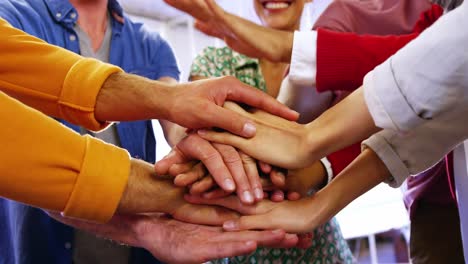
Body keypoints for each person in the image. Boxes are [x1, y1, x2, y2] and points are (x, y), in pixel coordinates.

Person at [167, 0, 468, 261]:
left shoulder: (349, 20)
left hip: (318, 240)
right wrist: (315, 181)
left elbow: (431, 74)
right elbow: (436, 85)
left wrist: (311, 149)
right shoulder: (218, 61)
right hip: (247, 236)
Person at [0, 13, 301, 264]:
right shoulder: (14, 14)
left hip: (139, 247)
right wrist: (178, 191)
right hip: (44, 247)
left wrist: (212, 145)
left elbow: (176, 120)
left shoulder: (150, 43)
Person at [187, 0, 353, 263]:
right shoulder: (213, 62)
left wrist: (311, 172)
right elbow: (203, 130)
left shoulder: (336, 59)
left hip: (315, 245)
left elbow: (356, 136)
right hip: (235, 245)